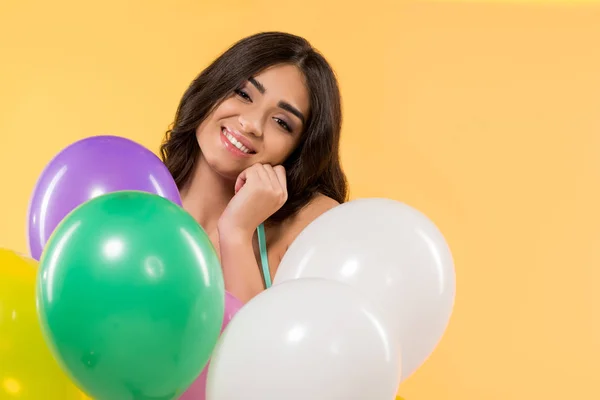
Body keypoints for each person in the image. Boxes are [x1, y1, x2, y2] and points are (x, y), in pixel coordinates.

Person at [160, 31, 348, 303]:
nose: (252, 124)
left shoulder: (310, 225)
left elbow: (258, 343)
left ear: (299, 149)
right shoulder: (134, 195)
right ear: (213, 88)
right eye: (243, 94)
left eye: (282, 122)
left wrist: (237, 232)